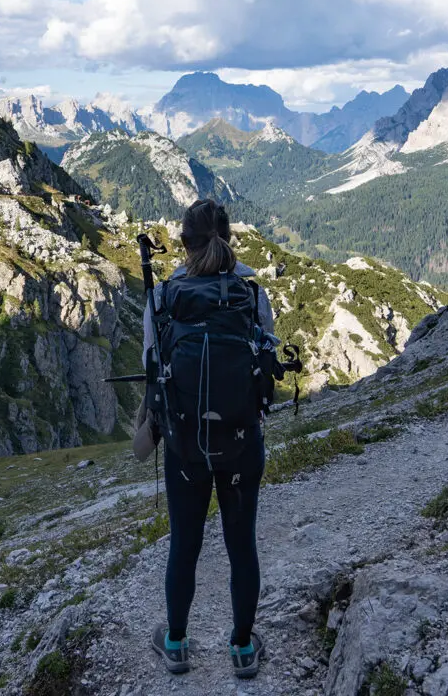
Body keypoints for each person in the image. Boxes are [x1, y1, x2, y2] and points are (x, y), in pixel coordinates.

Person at [142, 199, 274, 679]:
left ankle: (176, 642)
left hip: (185, 443)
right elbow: (266, 357)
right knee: (242, 544)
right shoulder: (251, 293)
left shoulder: (164, 296)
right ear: (230, 238)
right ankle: (242, 647)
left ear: (183, 244)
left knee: (185, 543)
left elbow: (152, 365)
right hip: (242, 440)